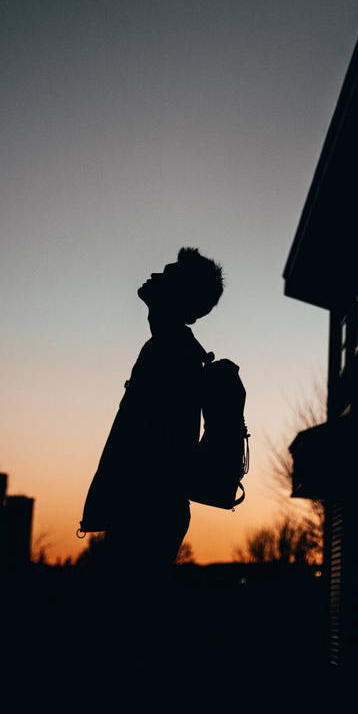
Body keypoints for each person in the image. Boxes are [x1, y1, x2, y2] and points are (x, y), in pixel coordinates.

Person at [80, 246, 228, 650]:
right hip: (152, 510)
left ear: (181, 297)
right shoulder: (173, 349)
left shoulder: (170, 353)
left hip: (146, 511)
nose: (154, 276)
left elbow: (156, 448)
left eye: (168, 274)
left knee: (121, 637)